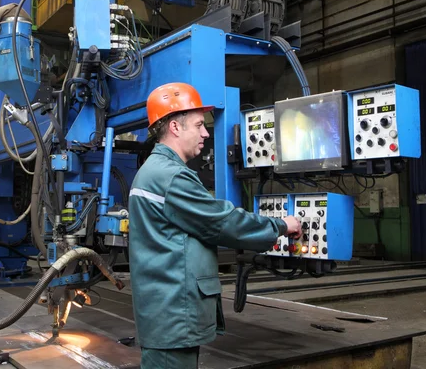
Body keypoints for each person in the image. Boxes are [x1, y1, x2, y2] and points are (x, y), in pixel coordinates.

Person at [128, 82, 301, 369]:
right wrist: (281, 225)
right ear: (175, 127)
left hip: (165, 311)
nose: (206, 133)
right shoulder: (170, 177)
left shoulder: (154, 171)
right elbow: (224, 222)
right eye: (199, 125)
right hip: (173, 315)